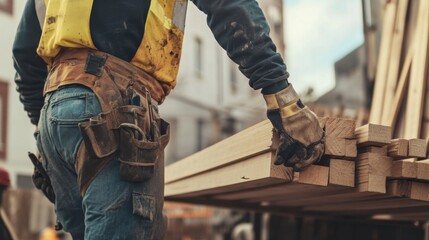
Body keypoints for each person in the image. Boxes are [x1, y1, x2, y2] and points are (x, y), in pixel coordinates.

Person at [13, 0, 325, 239]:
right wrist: (281, 96)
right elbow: (229, 6)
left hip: (55, 114)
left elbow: (25, 54)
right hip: (113, 106)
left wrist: (43, 135)